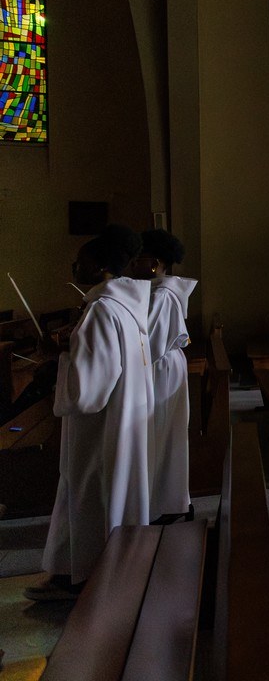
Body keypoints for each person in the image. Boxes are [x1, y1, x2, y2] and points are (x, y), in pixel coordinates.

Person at [26, 226, 154, 601]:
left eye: (80, 262)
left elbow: (88, 391)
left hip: (100, 428)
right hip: (123, 422)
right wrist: (66, 355)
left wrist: (57, 362)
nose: (75, 268)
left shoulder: (102, 311)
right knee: (103, 496)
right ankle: (81, 571)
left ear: (99, 267)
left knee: (91, 497)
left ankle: (85, 578)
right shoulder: (127, 306)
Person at [128, 229, 197, 523]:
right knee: (162, 436)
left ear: (155, 263)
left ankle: (165, 505)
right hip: (160, 366)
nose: (132, 264)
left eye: (138, 259)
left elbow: (151, 343)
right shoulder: (155, 291)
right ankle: (168, 502)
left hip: (160, 368)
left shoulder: (162, 295)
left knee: (161, 435)